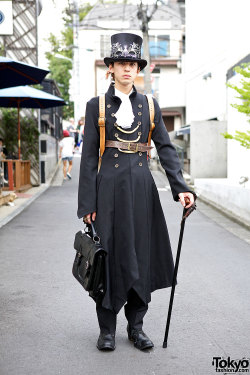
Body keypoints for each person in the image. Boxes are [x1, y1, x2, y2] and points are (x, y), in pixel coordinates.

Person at [77, 33, 195, 352]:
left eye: (132, 63)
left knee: (140, 257)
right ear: (111, 68)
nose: (127, 69)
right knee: (108, 258)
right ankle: (107, 330)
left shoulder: (150, 106)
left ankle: (136, 326)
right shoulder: (96, 106)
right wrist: (87, 203)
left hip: (143, 192)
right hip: (108, 193)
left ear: (137, 68)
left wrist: (181, 189)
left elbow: (167, 150)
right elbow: (89, 158)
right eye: (121, 63)